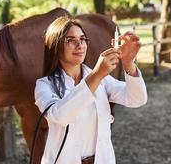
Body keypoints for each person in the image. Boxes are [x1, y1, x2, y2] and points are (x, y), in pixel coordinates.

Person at [34, 16, 147, 164]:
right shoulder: (45, 85)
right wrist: (97, 74)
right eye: (71, 40)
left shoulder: (103, 81)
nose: (79, 45)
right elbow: (60, 116)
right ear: (55, 45)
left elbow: (137, 99)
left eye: (82, 39)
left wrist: (128, 63)